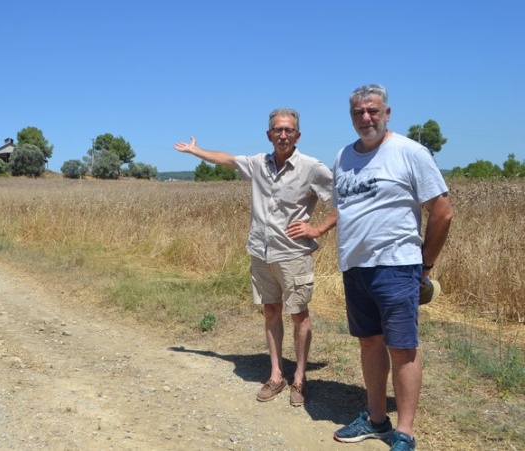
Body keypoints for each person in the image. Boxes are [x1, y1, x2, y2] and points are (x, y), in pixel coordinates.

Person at [174, 108, 336, 406]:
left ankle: (300, 378)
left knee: (299, 314)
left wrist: (319, 228)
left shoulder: (312, 167)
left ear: (297, 135)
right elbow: (226, 159)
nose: (283, 135)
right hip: (261, 251)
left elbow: (344, 197)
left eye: (288, 130)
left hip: (293, 253)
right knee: (271, 311)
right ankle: (276, 375)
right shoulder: (258, 163)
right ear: (269, 134)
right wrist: (197, 151)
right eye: (277, 129)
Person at [331, 85, 454, 450]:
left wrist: (425, 266)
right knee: (369, 342)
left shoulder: (410, 153)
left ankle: (405, 431)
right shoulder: (343, 156)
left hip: (397, 267)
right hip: (355, 267)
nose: (365, 118)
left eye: (372, 111)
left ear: (387, 113)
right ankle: (376, 419)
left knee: (402, 349)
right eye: (358, 113)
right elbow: (345, 208)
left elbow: (443, 211)